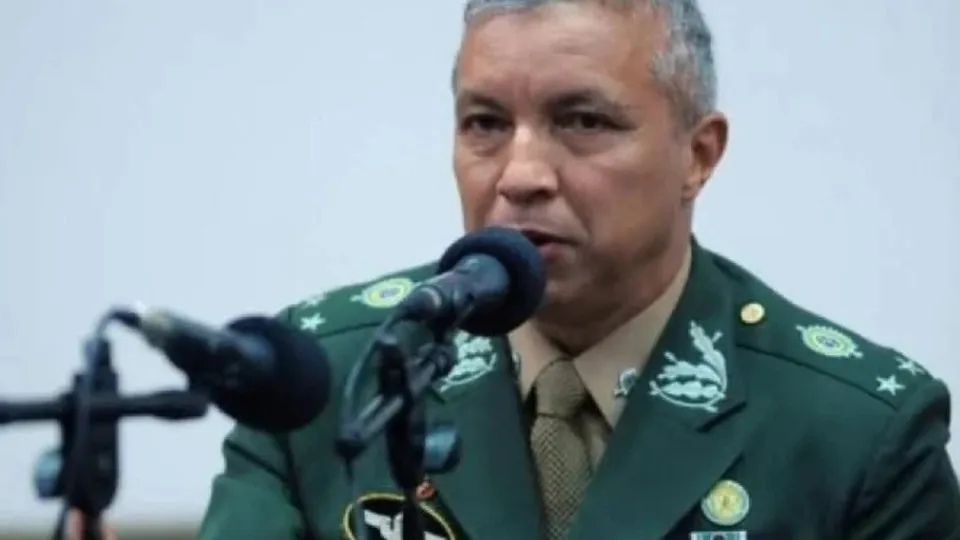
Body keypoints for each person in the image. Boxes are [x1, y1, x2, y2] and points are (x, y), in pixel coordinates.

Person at [69, 0, 960, 539]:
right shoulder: (324, 379)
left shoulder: (855, 432)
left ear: (698, 154)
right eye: (486, 124)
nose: (521, 173)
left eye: (582, 121)